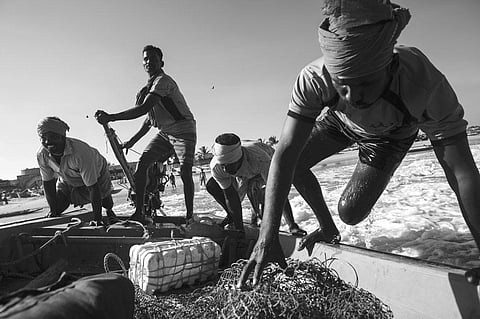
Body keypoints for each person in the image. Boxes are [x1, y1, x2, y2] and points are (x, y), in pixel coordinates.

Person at [238, 0, 480, 287]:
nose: (353, 97)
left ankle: (340, 219)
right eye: (343, 85)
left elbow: (462, 173)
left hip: (389, 138)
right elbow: (285, 154)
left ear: (389, 66)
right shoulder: (314, 79)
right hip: (340, 124)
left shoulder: (424, 85)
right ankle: (327, 229)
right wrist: (267, 236)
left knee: (350, 213)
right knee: (298, 163)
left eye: (365, 84)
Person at [95, 45, 196, 224]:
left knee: (186, 172)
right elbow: (149, 121)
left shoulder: (163, 82)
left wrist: (111, 117)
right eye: (146, 59)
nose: (149, 62)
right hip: (165, 133)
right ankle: (139, 212)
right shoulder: (149, 88)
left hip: (183, 130)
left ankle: (190, 217)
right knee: (142, 165)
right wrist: (131, 142)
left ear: (161, 62)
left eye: (153, 59)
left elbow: (142, 109)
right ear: (143, 64)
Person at [208, 133, 306, 236]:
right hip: (244, 172)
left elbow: (278, 192)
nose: (225, 170)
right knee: (212, 186)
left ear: (238, 158)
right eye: (223, 165)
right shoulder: (216, 167)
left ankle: (263, 218)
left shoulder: (260, 159)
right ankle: (234, 218)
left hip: (269, 163)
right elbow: (231, 197)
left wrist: (292, 225)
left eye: (229, 165)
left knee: (256, 191)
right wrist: (239, 230)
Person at [36, 117, 117, 226]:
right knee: (57, 207)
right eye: (43, 138)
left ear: (63, 136)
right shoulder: (42, 155)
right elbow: (48, 183)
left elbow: (93, 187)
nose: (47, 142)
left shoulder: (80, 153)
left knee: (105, 201)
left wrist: (97, 218)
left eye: (53, 137)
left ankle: (109, 210)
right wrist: (53, 211)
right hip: (68, 178)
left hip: (97, 173)